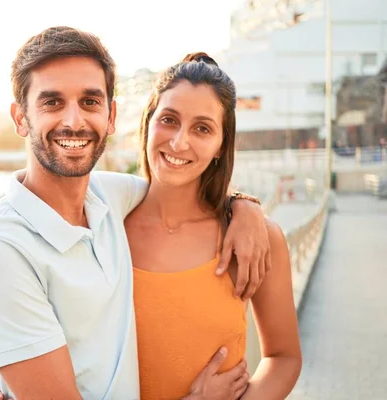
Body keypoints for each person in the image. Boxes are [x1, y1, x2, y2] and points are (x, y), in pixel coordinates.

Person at [0, 26, 270, 400]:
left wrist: (243, 207)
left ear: (111, 117)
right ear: (20, 117)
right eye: (52, 102)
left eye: (90, 102)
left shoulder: (110, 196)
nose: (74, 121)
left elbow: (185, 189)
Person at [125, 53, 302, 400]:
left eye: (202, 128)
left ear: (222, 145)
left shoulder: (256, 238)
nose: (179, 143)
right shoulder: (105, 225)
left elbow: (284, 358)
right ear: (148, 122)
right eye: (169, 120)